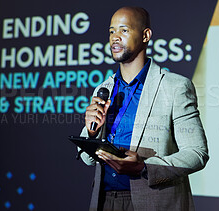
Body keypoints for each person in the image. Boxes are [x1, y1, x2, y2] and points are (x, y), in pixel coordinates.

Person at [79, 6, 209, 211]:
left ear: (146, 35)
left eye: (123, 30)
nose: (115, 37)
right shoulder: (103, 89)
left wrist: (144, 167)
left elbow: (196, 153)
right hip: (105, 201)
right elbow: (87, 158)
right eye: (111, 31)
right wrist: (92, 131)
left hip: (154, 201)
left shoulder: (174, 87)